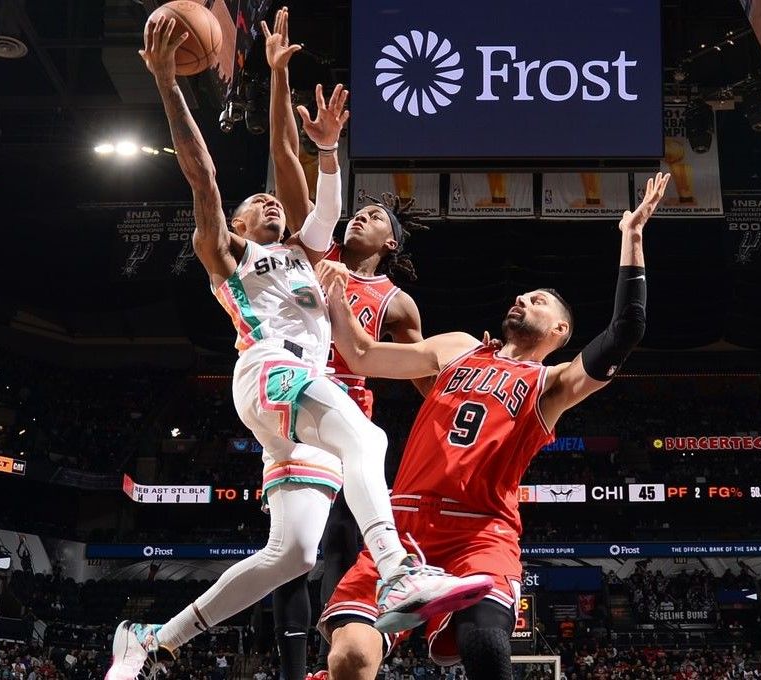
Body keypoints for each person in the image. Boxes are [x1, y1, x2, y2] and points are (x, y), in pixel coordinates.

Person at [106, 17, 492, 680]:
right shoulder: (230, 253)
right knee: (369, 439)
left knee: (292, 555)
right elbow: (203, 176)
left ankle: (152, 639)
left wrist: (320, 135)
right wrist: (168, 84)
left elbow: (319, 197)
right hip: (272, 372)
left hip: (301, 409)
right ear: (236, 223)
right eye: (257, 201)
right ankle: (399, 573)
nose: (270, 203)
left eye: (274, 202)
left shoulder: (308, 254)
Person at [313, 174, 669, 680]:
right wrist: (336, 294)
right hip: (403, 522)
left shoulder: (552, 384)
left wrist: (631, 237)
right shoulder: (458, 347)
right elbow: (363, 354)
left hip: (481, 529)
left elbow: (625, 330)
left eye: (538, 300)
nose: (522, 298)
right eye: (523, 295)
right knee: (349, 657)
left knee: (483, 644)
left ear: (560, 330)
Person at [260, 8, 432, 679]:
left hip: (346, 414)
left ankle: (348, 651)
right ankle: (291, 668)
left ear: (390, 242)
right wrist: (280, 83)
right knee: (289, 551)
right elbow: (286, 164)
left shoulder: (396, 301)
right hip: (290, 402)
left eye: (375, 216)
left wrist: (473, 367)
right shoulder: (315, 251)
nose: (361, 214)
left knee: (334, 547)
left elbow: (423, 382)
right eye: (359, 209)